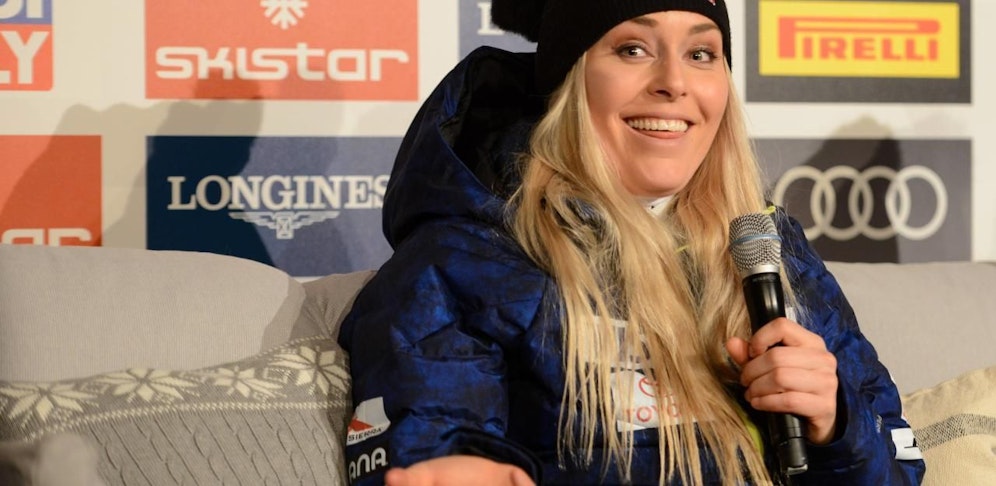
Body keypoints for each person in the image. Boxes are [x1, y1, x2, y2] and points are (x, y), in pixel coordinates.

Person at [337, 0, 926, 484]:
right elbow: (435, 443)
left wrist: (837, 426)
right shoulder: (461, 261)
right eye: (633, 49)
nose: (673, 82)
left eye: (700, 54)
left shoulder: (772, 249)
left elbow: (901, 468)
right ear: (569, 81)